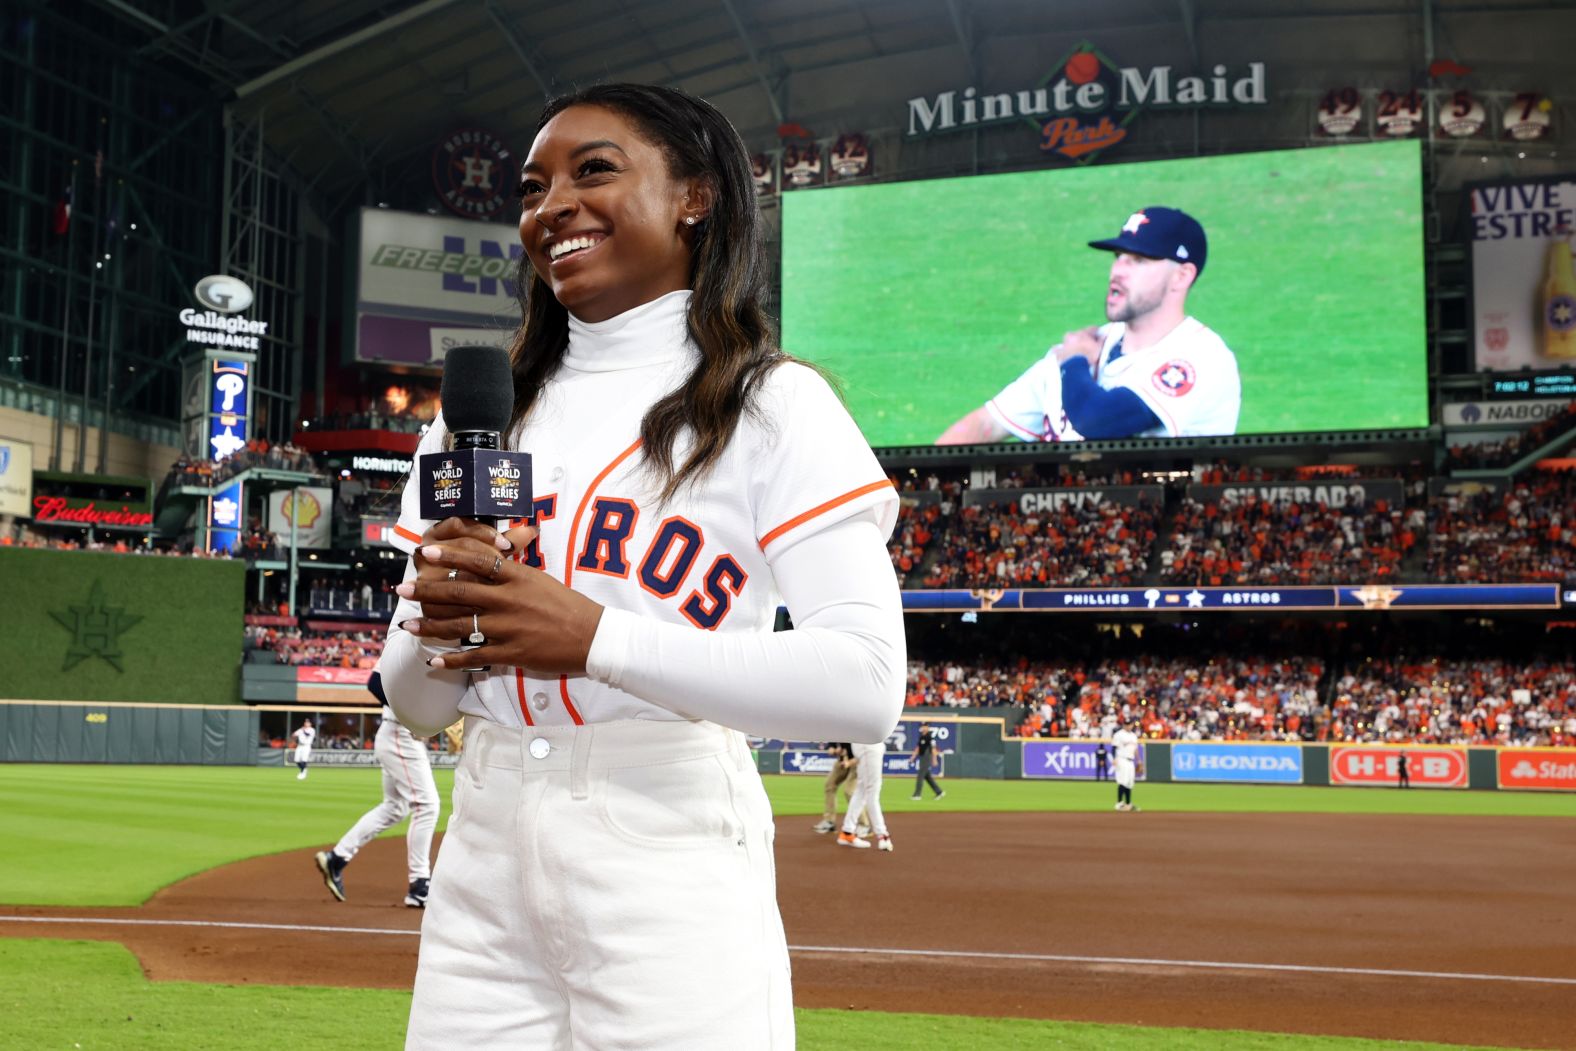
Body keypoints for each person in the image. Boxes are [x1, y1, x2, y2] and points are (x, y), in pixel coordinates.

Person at [379, 84, 904, 1049]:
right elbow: (415, 705)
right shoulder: (477, 419)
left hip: (665, 835)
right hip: (484, 842)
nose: (551, 207)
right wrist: (435, 617)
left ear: (694, 196)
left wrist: (596, 637)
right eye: (534, 187)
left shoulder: (771, 402)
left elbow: (867, 684)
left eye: (594, 170)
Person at [936, 206, 1240, 444]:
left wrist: (1074, 363)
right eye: (1118, 256)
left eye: (1139, 260)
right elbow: (985, 424)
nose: (1118, 270)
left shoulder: (1201, 357)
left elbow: (1099, 422)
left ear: (1182, 276)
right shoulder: (1086, 344)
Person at [314, 672, 440, 908]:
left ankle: (337, 859)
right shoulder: (408, 638)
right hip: (401, 733)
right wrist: (410, 715)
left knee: (394, 807)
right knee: (427, 805)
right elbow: (374, 681)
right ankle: (420, 885)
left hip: (398, 733)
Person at [839, 739, 894, 852]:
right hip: (869, 745)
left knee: (861, 792)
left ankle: (847, 832)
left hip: (867, 745)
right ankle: (882, 836)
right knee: (871, 793)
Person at [814, 742, 857, 833]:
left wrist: (848, 761)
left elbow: (859, 754)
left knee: (849, 791)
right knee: (829, 785)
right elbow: (832, 744)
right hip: (842, 761)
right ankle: (829, 822)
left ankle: (863, 824)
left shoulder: (854, 731)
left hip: (857, 762)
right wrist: (832, 748)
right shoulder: (838, 730)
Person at [909, 721, 945, 800]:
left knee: (920, 776)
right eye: (922, 726)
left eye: (924, 726)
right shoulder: (921, 736)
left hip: (927, 757)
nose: (923, 727)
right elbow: (918, 748)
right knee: (928, 777)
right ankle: (939, 792)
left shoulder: (930, 737)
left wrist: (934, 759)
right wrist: (913, 757)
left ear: (928, 727)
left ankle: (917, 795)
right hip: (922, 757)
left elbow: (933, 749)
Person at [1111, 719, 1141, 812]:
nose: (1128, 726)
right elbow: (1114, 748)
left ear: (1132, 725)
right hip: (1121, 759)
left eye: (1130, 724)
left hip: (1131, 761)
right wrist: (1114, 758)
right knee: (1122, 781)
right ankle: (1119, 803)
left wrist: (1139, 760)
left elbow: (1135, 749)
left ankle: (1128, 804)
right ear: (1124, 725)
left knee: (1129, 783)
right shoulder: (1119, 734)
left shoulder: (1133, 736)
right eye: (1126, 724)